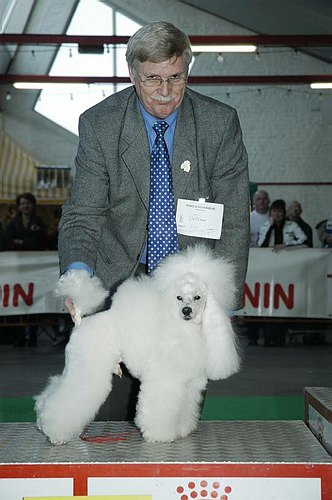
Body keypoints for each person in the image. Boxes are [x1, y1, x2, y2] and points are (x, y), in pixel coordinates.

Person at [58, 21, 250, 419]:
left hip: (188, 294)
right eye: (153, 79)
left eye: (175, 77)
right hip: (119, 286)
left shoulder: (219, 124)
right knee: (107, 414)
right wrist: (78, 278)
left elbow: (233, 222)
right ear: (133, 74)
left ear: (188, 71)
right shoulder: (101, 124)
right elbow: (84, 214)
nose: (165, 91)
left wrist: (220, 302)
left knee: (176, 410)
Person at [4, 192, 48, 347]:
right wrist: (27, 241)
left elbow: (41, 241)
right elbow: (8, 241)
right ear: (19, 206)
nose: (25, 206)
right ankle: (20, 337)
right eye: (22, 203)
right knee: (19, 302)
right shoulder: (13, 223)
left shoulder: (39, 222)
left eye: (28, 203)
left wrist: (21, 241)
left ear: (33, 205)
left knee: (34, 301)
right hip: (17, 269)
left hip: (35, 270)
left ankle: (33, 336)